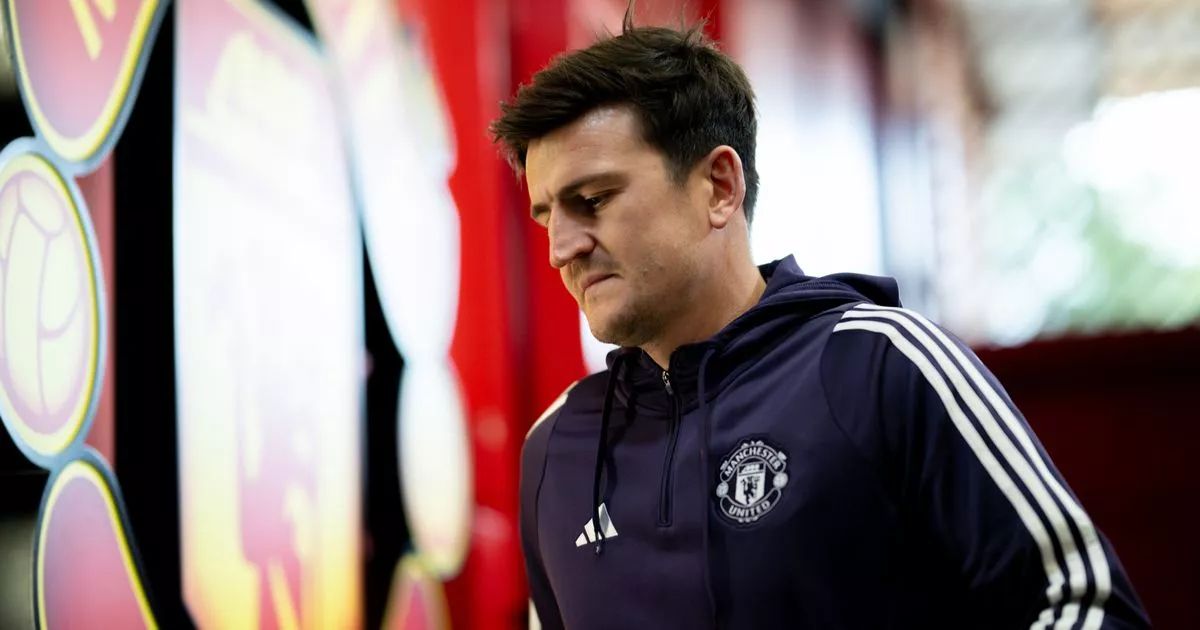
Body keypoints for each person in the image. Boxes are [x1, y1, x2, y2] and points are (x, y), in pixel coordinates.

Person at [490, 14, 1149, 630]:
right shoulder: (555, 448)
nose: (560, 249)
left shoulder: (885, 367)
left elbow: (1089, 608)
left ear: (719, 186)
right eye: (547, 217)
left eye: (593, 200)